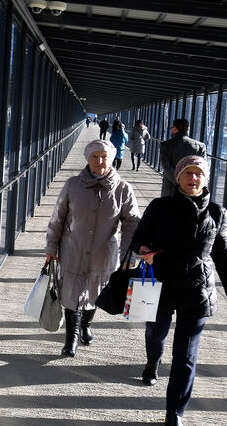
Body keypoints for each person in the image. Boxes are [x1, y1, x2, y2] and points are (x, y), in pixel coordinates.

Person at [129, 156, 227, 426]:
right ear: (178, 177)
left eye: (199, 174)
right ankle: (152, 362)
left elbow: (224, 255)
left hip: (197, 290)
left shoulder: (216, 213)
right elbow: (139, 238)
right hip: (161, 283)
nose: (193, 178)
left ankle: (175, 413)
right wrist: (144, 250)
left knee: (186, 355)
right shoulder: (160, 207)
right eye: (188, 173)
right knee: (156, 334)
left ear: (206, 180)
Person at [45, 139, 140, 357]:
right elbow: (58, 218)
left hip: (103, 253)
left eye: (104, 157)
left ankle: (86, 325)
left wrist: (129, 254)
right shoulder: (73, 184)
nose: (99, 161)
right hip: (72, 249)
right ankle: (71, 338)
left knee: (94, 292)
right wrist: (51, 248)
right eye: (94, 157)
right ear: (88, 159)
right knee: (71, 293)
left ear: (112, 158)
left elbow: (132, 223)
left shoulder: (124, 189)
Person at [159, 118, 206, 196]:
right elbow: (203, 168)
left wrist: (179, 181)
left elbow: (166, 166)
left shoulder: (166, 145)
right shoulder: (200, 146)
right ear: (188, 129)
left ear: (175, 128)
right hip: (192, 187)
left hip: (170, 187)